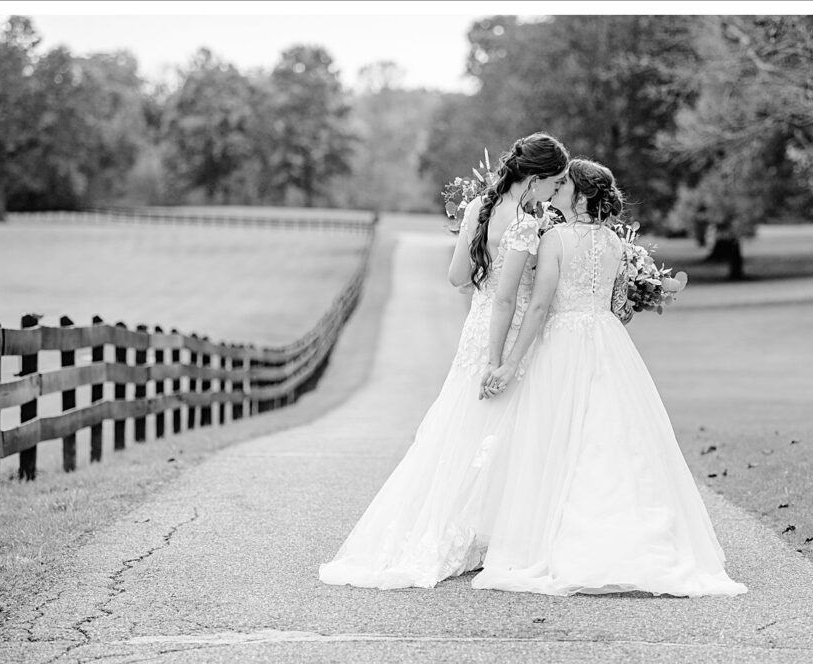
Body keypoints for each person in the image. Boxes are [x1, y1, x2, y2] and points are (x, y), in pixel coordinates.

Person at [472, 158, 748, 597]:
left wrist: (510, 362)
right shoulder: (617, 243)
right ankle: (630, 532)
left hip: (563, 341)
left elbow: (541, 308)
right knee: (613, 435)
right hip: (608, 341)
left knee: (562, 436)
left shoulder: (555, 239)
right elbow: (621, 309)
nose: (558, 190)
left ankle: (563, 540)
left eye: (564, 186)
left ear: (580, 195)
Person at [318, 133, 569, 589]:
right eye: (553, 185)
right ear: (534, 179)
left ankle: (470, 528)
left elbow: (458, 278)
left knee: (462, 428)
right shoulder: (528, 223)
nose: (554, 195)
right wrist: (499, 361)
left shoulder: (479, 207)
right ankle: (496, 534)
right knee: (505, 425)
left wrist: (486, 273)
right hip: (500, 335)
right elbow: (507, 298)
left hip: (473, 329)